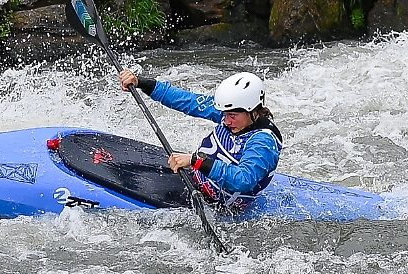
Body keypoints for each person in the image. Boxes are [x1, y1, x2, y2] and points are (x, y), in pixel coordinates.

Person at [116, 69, 283, 211]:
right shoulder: (230, 110)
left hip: (217, 206)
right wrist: (141, 82)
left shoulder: (263, 142)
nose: (226, 121)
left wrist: (196, 161)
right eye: (225, 115)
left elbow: (243, 180)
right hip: (194, 178)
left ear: (253, 111)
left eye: (232, 116)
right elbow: (187, 100)